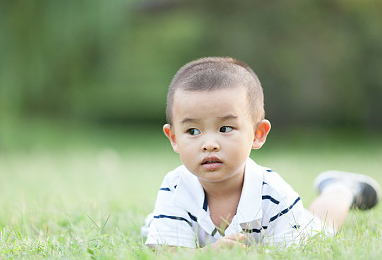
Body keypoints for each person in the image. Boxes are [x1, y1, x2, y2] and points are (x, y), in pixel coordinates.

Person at [141, 57, 381, 250]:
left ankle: (341, 189)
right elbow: (168, 253)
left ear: (258, 133)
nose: (209, 144)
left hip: (288, 222)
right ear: (174, 138)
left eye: (225, 128)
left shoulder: (273, 193)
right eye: (193, 131)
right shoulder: (176, 187)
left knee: (320, 228)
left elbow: (296, 253)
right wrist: (209, 254)